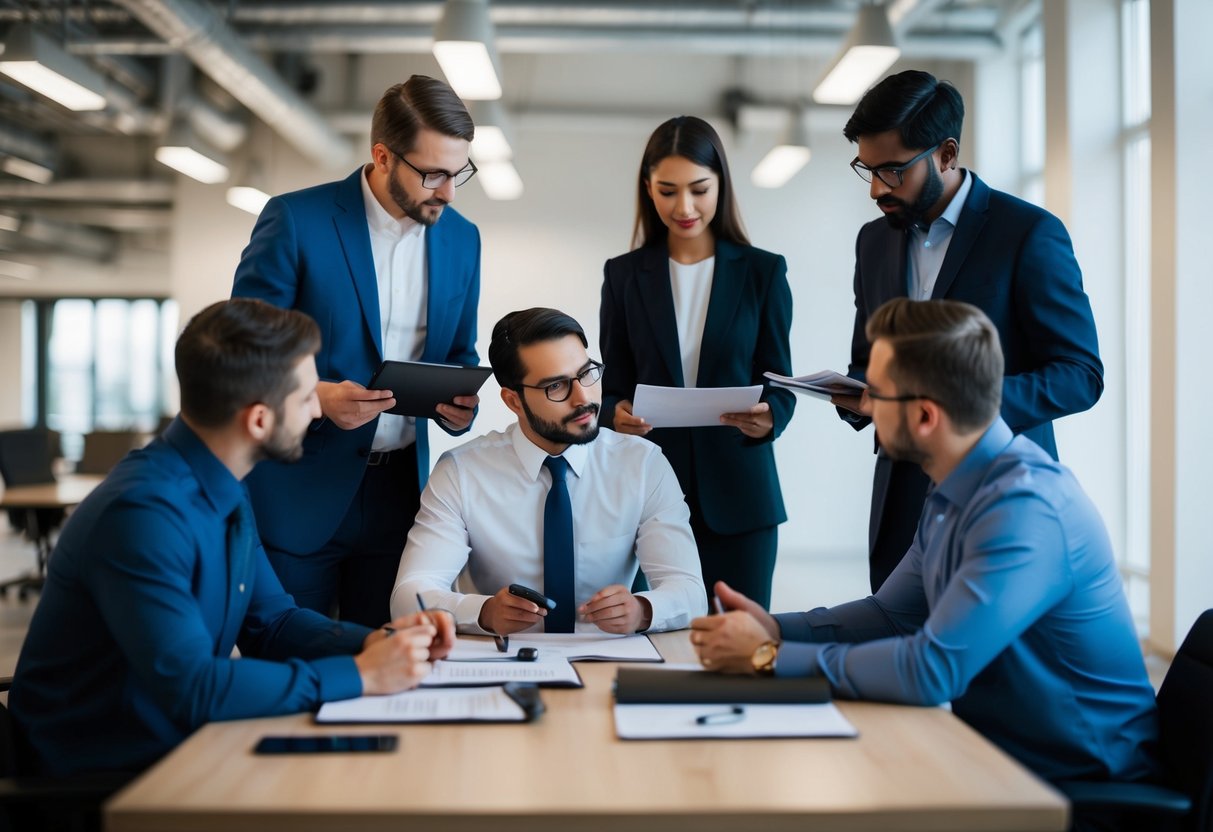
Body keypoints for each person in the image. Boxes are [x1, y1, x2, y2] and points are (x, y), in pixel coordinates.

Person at [691, 298, 1158, 788]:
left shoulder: (1026, 508)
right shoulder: (951, 483)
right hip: (1001, 762)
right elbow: (891, 615)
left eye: (877, 394)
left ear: (926, 416)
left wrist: (768, 658)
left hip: (1085, 789)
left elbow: (934, 670)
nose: (864, 405)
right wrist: (779, 630)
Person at [9, 299, 454, 778]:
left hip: (182, 746)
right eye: (307, 398)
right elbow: (194, 687)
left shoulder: (225, 485)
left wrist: (379, 642)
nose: (315, 411)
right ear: (259, 420)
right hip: (97, 780)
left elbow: (273, 624)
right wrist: (363, 675)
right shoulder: (142, 514)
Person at [835, 70, 1103, 592]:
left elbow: (1080, 375)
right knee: (890, 641)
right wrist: (855, 393)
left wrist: (962, 405)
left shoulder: (1027, 233)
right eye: (866, 170)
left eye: (892, 172)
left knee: (984, 665)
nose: (875, 190)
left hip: (999, 495)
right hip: (900, 499)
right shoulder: (874, 242)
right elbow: (867, 360)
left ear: (946, 153)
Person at [232, 75, 482, 627]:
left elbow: (460, 353)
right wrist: (317, 397)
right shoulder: (297, 219)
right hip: (298, 490)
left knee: (392, 665)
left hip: (402, 498)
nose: (448, 192)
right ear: (382, 156)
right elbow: (241, 352)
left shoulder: (463, 238)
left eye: (459, 172)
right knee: (293, 660)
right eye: (434, 174)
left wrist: (462, 402)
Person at [391, 307, 707, 635]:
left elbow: (690, 591)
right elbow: (408, 596)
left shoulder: (643, 464)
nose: (583, 398)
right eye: (556, 386)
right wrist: (482, 612)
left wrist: (643, 610)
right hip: (501, 661)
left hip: (610, 657)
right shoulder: (461, 472)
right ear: (514, 401)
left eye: (587, 373)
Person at [600, 115, 795, 610]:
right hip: (649, 497)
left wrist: (771, 415)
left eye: (698, 189)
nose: (683, 207)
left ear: (721, 186)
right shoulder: (624, 276)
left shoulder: (762, 272)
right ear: (648, 189)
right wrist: (615, 414)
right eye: (667, 191)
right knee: (657, 645)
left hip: (741, 498)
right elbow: (611, 386)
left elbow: (780, 382)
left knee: (741, 645)